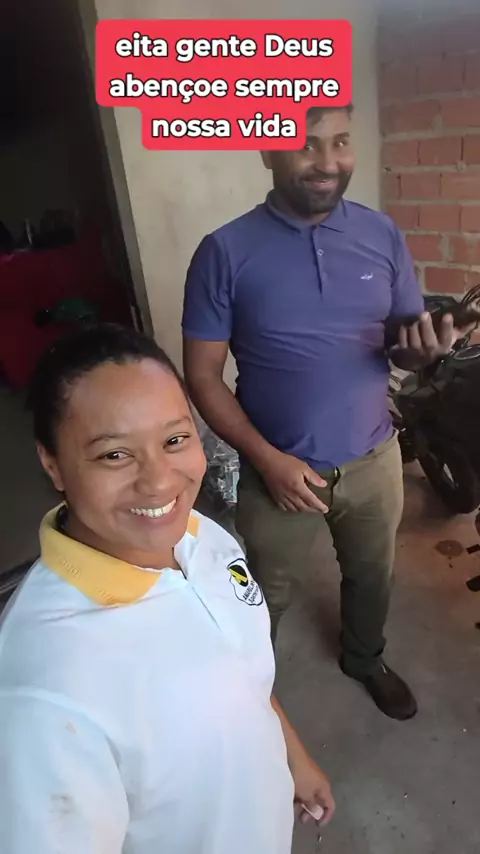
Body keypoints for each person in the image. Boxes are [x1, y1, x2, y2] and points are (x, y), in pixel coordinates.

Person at [0, 324, 335, 854]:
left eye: (175, 440)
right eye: (115, 454)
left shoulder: (201, 536)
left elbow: (241, 668)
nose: (160, 482)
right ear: (53, 464)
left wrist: (291, 756)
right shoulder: (45, 696)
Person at [182, 105, 469, 722]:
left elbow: (399, 346)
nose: (327, 162)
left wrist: (422, 354)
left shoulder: (381, 235)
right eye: (306, 144)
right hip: (276, 469)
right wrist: (268, 461)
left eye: (340, 142)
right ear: (267, 150)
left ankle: (365, 659)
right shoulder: (224, 252)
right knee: (263, 592)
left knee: (373, 575)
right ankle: (249, 693)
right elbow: (202, 375)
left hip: (374, 458)